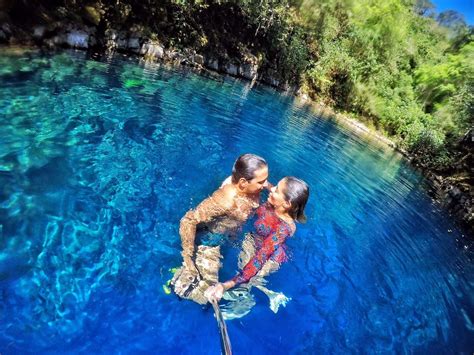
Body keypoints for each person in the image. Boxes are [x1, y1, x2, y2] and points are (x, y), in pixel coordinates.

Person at [171, 154, 270, 304]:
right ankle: (178, 281)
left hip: (231, 236)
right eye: (261, 182)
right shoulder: (226, 200)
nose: (266, 185)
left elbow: (266, 186)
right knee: (207, 296)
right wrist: (188, 257)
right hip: (211, 241)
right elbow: (188, 220)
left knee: (258, 269)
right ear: (243, 182)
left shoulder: (253, 188)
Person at [204, 177, 309, 311]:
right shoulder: (277, 202)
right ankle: (261, 290)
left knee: (247, 279)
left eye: (276, 190)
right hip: (254, 240)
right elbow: (264, 183)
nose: (272, 190)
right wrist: (234, 181)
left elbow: (260, 259)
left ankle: (244, 303)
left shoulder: (282, 229)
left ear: (287, 203)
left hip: (270, 258)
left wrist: (225, 285)